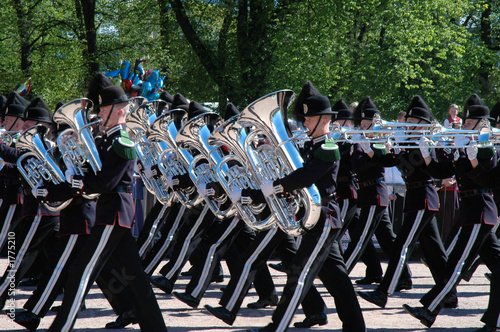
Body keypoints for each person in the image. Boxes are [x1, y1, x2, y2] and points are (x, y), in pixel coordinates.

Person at [47, 85, 167, 332]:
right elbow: (91, 176)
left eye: (103, 108)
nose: (99, 113)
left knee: (82, 270)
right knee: (135, 278)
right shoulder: (106, 141)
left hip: (114, 213)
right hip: (112, 213)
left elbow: (106, 182)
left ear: (120, 111)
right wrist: (60, 183)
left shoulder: (122, 142)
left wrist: (79, 182)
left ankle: (60, 328)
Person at [247, 94, 365, 332]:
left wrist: (270, 189)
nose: (305, 123)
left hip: (324, 218)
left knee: (298, 273)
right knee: (337, 279)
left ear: (324, 120)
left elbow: (304, 177)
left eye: (309, 118)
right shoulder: (314, 146)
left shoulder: (329, 147)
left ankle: (277, 326)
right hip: (319, 219)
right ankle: (355, 327)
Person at [403, 94, 500, 331]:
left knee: (456, 264)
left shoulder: (487, 148)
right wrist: (427, 154)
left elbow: (489, 180)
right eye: (464, 122)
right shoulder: (467, 147)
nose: (463, 125)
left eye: (468, 123)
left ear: (482, 125)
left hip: (480, 211)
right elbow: (441, 171)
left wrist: (473, 160)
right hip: (471, 213)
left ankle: (429, 309)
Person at [357, 95, 453, 308]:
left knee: (402, 245)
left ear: (423, 125)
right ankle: (449, 292)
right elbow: (392, 161)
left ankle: (383, 291)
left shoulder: (428, 142)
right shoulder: (409, 142)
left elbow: (432, 168)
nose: (405, 125)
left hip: (423, 198)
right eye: (406, 122)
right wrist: (370, 150)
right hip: (416, 198)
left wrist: (411, 146)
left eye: (411, 123)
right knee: (434, 251)